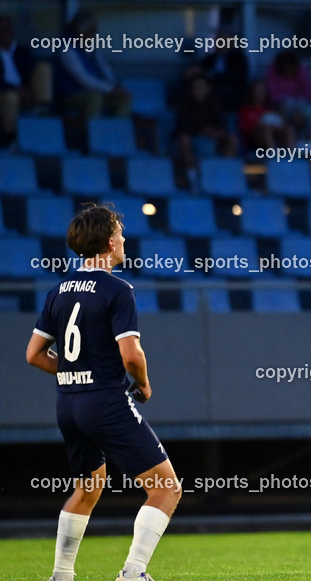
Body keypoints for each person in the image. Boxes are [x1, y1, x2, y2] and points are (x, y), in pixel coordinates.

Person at [25, 203, 181, 580]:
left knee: (87, 489)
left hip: (68, 404)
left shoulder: (58, 291)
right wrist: (143, 383)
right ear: (110, 243)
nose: (124, 240)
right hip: (105, 402)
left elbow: (33, 354)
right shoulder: (117, 289)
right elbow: (131, 355)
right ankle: (133, 573)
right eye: (120, 234)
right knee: (166, 488)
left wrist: (76, 373)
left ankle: (61, 575)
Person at [54, 10, 132, 119]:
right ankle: (92, 129)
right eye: (91, 30)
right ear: (80, 30)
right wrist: (110, 90)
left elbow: (104, 69)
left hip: (95, 91)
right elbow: (84, 79)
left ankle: (115, 128)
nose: (93, 34)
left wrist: (114, 87)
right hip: (70, 96)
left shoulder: (92, 49)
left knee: (123, 98)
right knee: (94, 98)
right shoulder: (67, 50)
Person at [174, 72, 238, 185]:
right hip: (191, 139)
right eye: (196, 87)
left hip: (212, 138)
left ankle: (223, 175)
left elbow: (222, 125)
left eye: (202, 87)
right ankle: (193, 178)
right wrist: (201, 131)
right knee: (184, 139)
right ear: (191, 90)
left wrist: (216, 132)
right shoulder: (184, 104)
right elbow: (182, 127)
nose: (199, 90)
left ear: (208, 88)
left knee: (232, 139)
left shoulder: (216, 103)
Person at [0, 14, 52, 146]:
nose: (6, 32)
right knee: (10, 97)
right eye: (2, 29)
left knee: (43, 68)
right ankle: (11, 138)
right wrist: (17, 90)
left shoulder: (22, 51)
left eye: (8, 29)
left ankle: (43, 108)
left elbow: (30, 72)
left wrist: (27, 90)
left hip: (26, 91)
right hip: (6, 93)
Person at [238, 78, 291, 151]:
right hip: (253, 139)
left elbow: (279, 123)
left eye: (261, 91)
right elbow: (245, 130)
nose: (259, 94)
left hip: (274, 135)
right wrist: (261, 126)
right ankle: (273, 154)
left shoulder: (270, 109)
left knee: (289, 129)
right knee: (266, 129)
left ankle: (291, 153)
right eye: (257, 91)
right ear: (251, 92)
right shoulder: (245, 110)